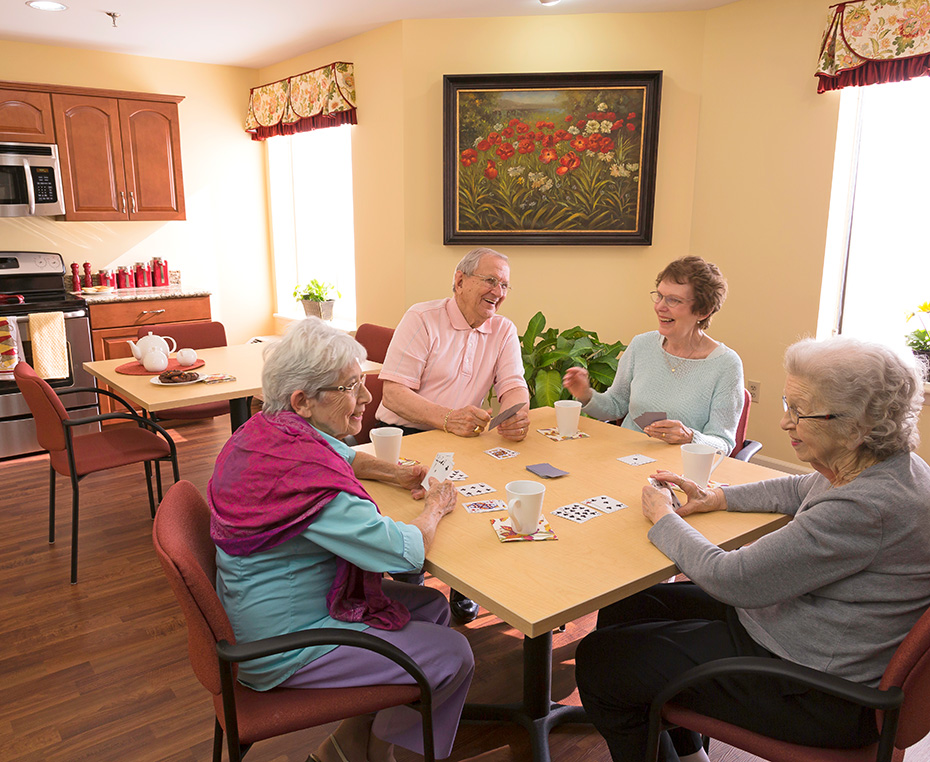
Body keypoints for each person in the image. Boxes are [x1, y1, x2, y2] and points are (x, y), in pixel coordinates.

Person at [574, 336, 930, 762]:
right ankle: (690, 753)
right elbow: (799, 487)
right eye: (786, 404)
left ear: (856, 425)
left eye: (799, 411)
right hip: (803, 634)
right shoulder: (889, 464)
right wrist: (718, 497)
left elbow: (734, 579)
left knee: (601, 662)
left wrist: (662, 519)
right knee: (629, 605)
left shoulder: (865, 506)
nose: (784, 423)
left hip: (817, 692)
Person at [208, 318, 474, 762]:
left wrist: (397, 472)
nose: (367, 398)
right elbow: (404, 553)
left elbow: (345, 455)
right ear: (302, 401)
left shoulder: (267, 432)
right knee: (454, 654)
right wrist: (436, 508)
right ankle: (391, 752)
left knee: (432, 606)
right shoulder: (310, 483)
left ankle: (350, 746)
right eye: (352, 386)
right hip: (282, 645)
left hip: (257, 612)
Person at [377, 247, 531, 623]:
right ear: (460, 281)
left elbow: (513, 384)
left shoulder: (504, 329)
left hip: (462, 441)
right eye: (491, 280)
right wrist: (447, 419)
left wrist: (516, 413)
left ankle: (466, 587)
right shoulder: (422, 317)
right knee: (422, 510)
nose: (499, 291)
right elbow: (393, 393)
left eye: (506, 284)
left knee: (477, 508)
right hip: (404, 434)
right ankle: (411, 591)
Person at [563, 256, 743, 454]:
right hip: (622, 457)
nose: (660, 307)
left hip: (678, 471)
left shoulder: (726, 365)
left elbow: (723, 444)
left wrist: (690, 437)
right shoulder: (642, 345)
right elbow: (615, 406)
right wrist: (585, 394)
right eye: (659, 296)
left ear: (703, 311)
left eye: (673, 300)